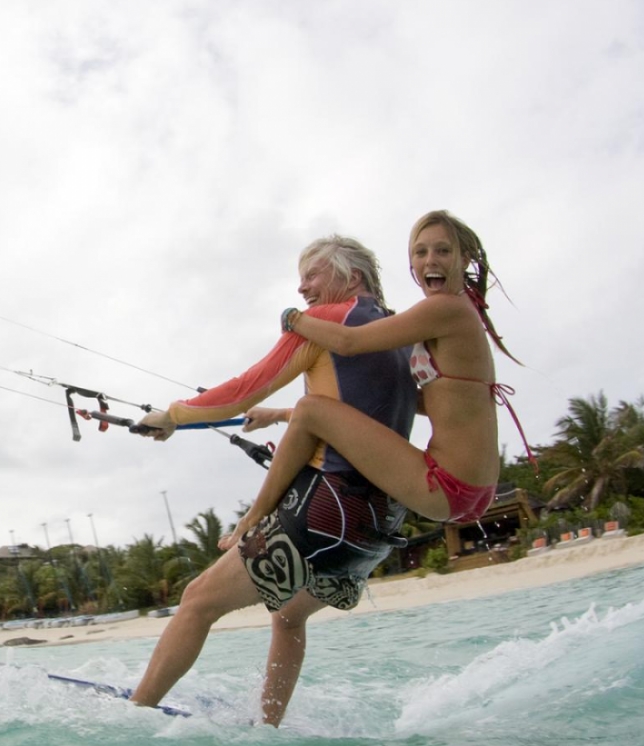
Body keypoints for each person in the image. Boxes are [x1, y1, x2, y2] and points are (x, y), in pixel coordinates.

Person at [130, 235, 417, 725]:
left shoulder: (327, 323)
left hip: (326, 509)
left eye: (313, 274)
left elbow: (244, 388)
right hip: (376, 525)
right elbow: (360, 413)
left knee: (198, 600)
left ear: (350, 278)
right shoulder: (399, 334)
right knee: (289, 615)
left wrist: (174, 416)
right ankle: (269, 727)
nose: (302, 286)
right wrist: (284, 415)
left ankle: (135, 714)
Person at [225, 210, 530, 558]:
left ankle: (254, 516)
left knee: (312, 409)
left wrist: (293, 318)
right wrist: (275, 415)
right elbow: (422, 402)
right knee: (315, 413)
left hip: (445, 485)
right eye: (420, 252)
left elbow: (347, 342)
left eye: (443, 251)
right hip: (475, 487)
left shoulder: (446, 309)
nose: (430, 260)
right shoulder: (458, 312)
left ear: (465, 258)